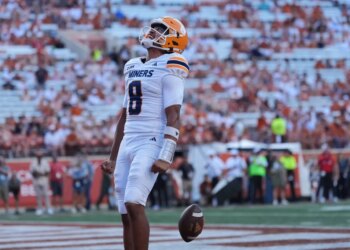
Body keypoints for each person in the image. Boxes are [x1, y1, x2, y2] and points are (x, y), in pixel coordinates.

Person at [100, 16, 189, 250]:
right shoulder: (132, 65)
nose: (152, 32)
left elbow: (174, 115)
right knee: (124, 214)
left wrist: (166, 155)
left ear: (174, 39)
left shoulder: (172, 63)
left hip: (151, 140)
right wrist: (113, 156)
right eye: (153, 29)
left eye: (160, 30)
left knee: (134, 203)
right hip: (128, 140)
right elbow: (124, 115)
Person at [30, 151, 53, 215]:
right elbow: (33, 172)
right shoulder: (33, 162)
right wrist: (40, 173)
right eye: (38, 155)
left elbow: (47, 172)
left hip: (44, 180)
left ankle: (48, 208)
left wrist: (40, 173)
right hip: (36, 181)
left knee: (46, 195)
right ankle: (40, 208)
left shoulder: (45, 161)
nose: (39, 156)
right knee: (38, 195)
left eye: (40, 155)